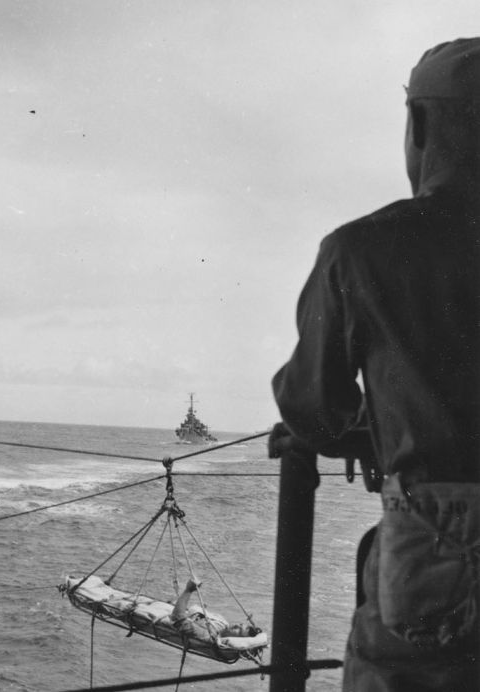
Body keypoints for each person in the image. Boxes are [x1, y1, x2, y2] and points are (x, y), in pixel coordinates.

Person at [271, 38, 480, 691]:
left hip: (441, 545)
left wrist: (370, 430)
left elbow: (311, 408)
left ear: (418, 125)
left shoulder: (360, 250)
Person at [170, 578, 258, 641]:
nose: (236, 625)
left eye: (239, 630)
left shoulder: (208, 635)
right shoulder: (223, 623)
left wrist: (188, 590)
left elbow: (177, 619)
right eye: (240, 624)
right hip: (182, 608)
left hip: (175, 612)